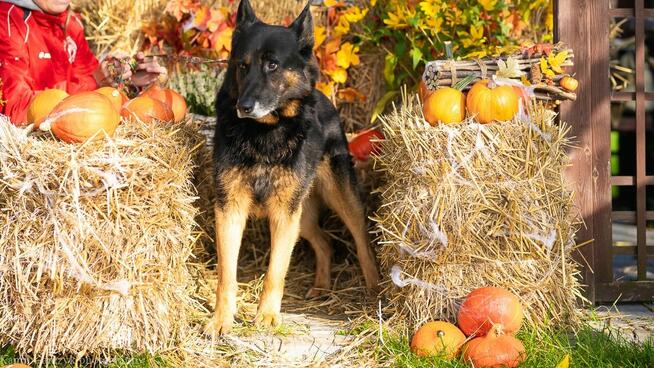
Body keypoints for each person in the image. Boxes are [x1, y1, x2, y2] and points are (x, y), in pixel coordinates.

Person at [0, 0, 168, 124]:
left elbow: (91, 82)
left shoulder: (70, 22)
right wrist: (96, 80)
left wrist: (128, 81)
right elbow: (15, 109)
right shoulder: (7, 21)